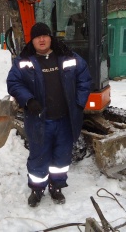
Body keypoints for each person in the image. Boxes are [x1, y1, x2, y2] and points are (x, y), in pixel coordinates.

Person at [6, 22, 92, 207]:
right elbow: (14, 83)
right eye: (37, 37)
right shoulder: (23, 61)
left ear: (50, 37)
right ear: (33, 40)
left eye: (44, 35)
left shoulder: (68, 57)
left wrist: (78, 103)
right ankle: (37, 190)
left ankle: (56, 187)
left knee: (61, 158)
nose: (42, 39)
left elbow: (84, 79)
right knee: (39, 157)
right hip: (40, 121)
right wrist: (28, 100)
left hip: (65, 120)